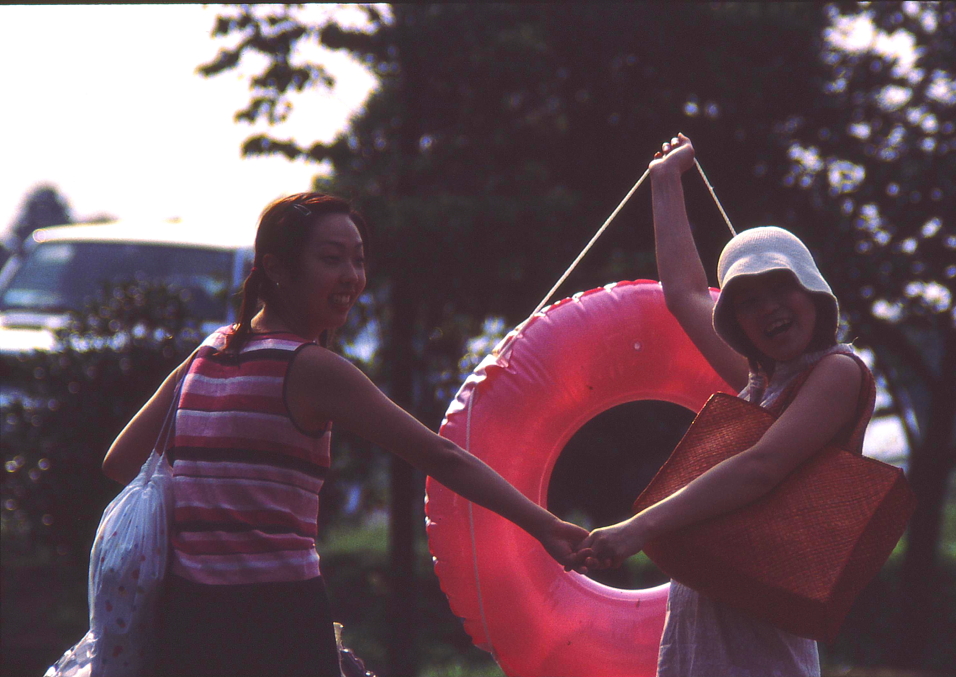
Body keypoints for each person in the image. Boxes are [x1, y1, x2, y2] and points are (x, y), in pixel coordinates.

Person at [102, 192, 591, 677]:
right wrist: (544, 526)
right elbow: (442, 457)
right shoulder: (311, 367)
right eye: (331, 260)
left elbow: (121, 461)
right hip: (276, 618)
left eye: (358, 260)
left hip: (189, 619)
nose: (352, 278)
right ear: (276, 267)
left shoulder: (209, 353)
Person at [573, 134, 876, 677]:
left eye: (780, 287)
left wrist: (637, 528)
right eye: (747, 300)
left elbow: (761, 468)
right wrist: (665, 183)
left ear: (813, 294)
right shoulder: (760, 382)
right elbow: (686, 294)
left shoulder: (837, 372)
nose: (768, 309)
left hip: (762, 636)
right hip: (702, 620)